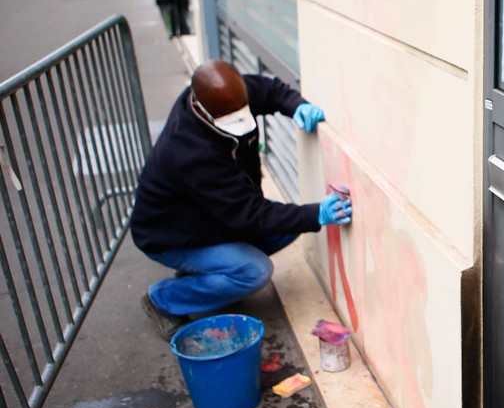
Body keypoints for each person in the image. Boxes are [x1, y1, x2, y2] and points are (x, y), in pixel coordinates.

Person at [130, 59, 353, 340]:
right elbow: (250, 214)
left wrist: (297, 105)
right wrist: (316, 214)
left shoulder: (228, 94)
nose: (239, 121)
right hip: (170, 235)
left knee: (290, 224)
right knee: (254, 271)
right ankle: (163, 300)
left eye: (241, 112)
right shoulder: (191, 153)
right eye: (230, 118)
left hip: (210, 216)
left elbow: (271, 90)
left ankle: (204, 275)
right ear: (201, 108)